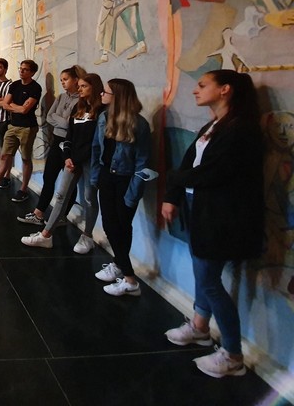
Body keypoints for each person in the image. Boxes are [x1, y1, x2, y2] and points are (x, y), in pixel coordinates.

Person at [161, 70, 264, 378]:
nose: (196, 90)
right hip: (201, 207)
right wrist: (173, 194)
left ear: (225, 90)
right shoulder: (215, 125)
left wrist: (174, 179)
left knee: (209, 281)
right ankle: (200, 326)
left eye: (203, 85)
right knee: (203, 272)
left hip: (221, 214)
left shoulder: (241, 129)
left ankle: (232, 355)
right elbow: (190, 162)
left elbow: (214, 172)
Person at [21, 73, 104, 254]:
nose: (80, 89)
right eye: (79, 86)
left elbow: (97, 141)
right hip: (72, 159)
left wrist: (77, 157)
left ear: (94, 87)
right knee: (60, 195)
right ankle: (46, 235)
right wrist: (67, 155)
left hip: (90, 161)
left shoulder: (102, 111)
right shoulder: (79, 108)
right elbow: (70, 134)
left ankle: (87, 235)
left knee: (89, 198)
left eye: (84, 86)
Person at [90, 78, 151, 297]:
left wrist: (133, 192)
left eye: (105, 92)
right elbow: (97, 149)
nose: (101, 95)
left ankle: (130, 280)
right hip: (107, 177)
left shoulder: (139, 124)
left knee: (122, 226)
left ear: (118, 97)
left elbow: (143, 163)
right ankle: (120, 264)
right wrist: (96, 176)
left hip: (126, 180)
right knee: (110, 225)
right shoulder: (103, 117)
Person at [17, 65, 85, 225]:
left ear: (76, 80)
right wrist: (63, 121)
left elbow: (70, 125)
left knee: (69, 184)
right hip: (56, 140)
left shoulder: (82, 101)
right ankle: (38, 214)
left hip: (70, 144)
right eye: (61, 80)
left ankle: (61, 216)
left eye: (65, 79)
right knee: (48, 177)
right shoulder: (61, 97)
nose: (63, 82)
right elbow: (49, 116)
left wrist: (60, 120)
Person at [0, 60, 42, 202]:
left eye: (25, 69)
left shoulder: (35, 88)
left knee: (25, 159)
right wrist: (16, 107)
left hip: (27, 127)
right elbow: (6, 104)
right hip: (13, 125)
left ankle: (23, 189)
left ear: (32, 72)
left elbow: (25, 110)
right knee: (5, 155)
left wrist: (13, 106)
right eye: (20, 68)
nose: (21, 71)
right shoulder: (15, 85)